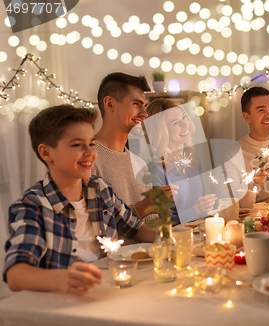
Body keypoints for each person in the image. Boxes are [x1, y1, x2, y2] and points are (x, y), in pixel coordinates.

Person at [3, 105, 155, 295]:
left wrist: (173, 237)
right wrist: (63, 279)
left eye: (91, 144)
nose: (90, 153)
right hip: (64, 304)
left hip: (110, 290)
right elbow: (16, 275)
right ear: (46, 153)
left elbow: (137, 229)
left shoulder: (100, 189)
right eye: (77, 145)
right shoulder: (32, 206)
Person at [92, 72, 177, 221]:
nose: (144, 114)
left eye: (145, 106)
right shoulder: (87, 160)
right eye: (136, 104)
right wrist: (143, 206)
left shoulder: (141, 164)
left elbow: (150, 225)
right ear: (110, 104)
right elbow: (91, 224)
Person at [142, 98, 216, 223]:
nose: (185, 125)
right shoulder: (155, 170)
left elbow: (203, 204)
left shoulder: (194, 160)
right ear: (160, 131)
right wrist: (196, 211)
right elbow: (161, 219)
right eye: (175, 123)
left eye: (184, 117)